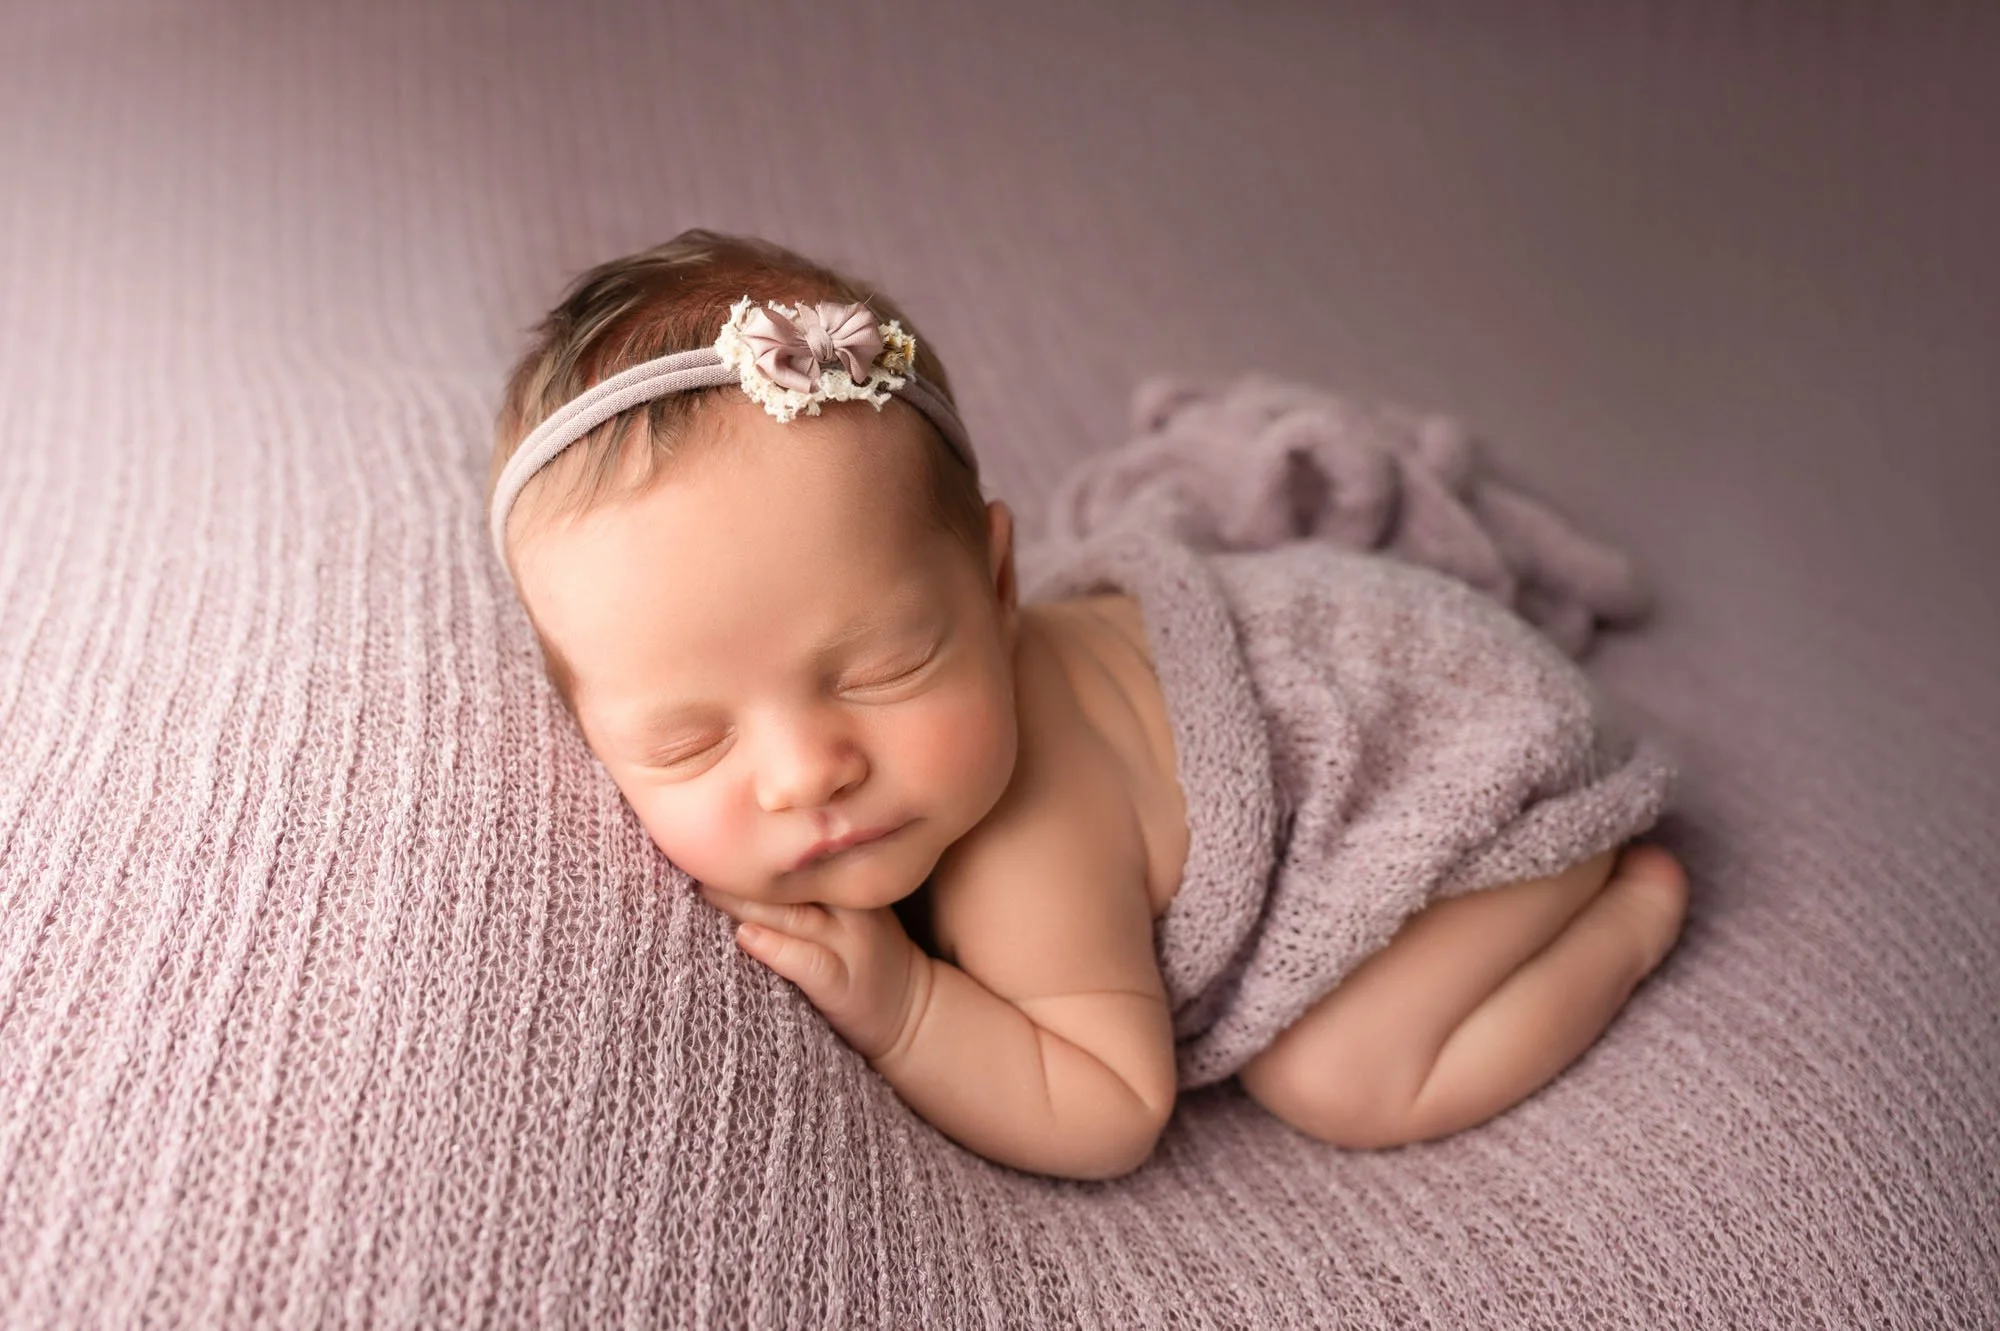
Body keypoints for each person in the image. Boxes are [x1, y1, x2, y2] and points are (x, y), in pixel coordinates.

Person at [486, 229, 1690, 1181]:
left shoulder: (1024, 842)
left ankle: (1625, 914)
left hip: (1472, 768)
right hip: (1394, 660)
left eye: (883, 666)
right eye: (687, 739)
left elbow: (1109, 1106)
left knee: (1340, 1076)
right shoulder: (893, 756)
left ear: (999, 583)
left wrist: (905, 1005)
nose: (807, 770)